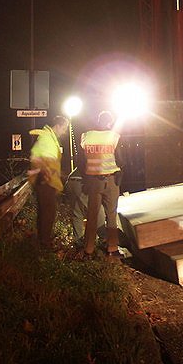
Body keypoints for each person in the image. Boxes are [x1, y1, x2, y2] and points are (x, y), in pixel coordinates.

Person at [80, 110, 122, 257]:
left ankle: (88, 250)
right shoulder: (113, 136)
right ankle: (112, 248)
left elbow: (81, 161)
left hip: (92, 181)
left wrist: (86, 179)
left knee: (91, 215)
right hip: (110, 180)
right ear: (109, 122)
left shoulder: (86, 136)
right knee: (111, 214)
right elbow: (121, 160)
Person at [28, 115, 69, 249]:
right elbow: (37, 157)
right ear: (58, 125)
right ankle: (44, 244)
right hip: (45, 181)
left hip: (47, 180)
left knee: (46, 211)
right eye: (65, 128)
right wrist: (46, 173)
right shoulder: (47, 138)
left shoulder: (49, 138)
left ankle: (42, 241)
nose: (65, 131)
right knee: (48, 212)